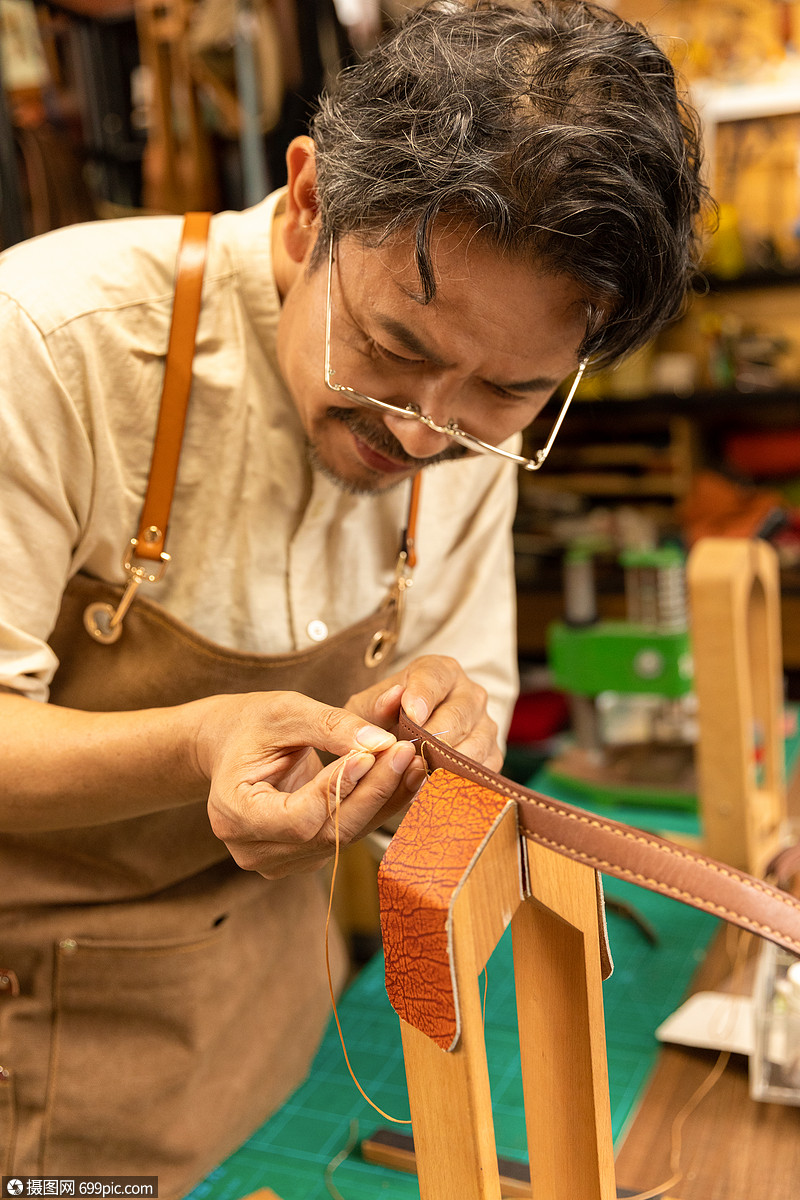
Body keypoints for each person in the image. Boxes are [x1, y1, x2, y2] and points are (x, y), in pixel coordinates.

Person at [0, 0, 707, 1193]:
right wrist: (203, 741)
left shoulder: (469, 423)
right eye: (388, 347)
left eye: (505, 392)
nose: (421, 426)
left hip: (275, 1005)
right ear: (310, 203)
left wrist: (440, 728)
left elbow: (467, 675)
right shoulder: (51, 342)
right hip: (36, 1034)